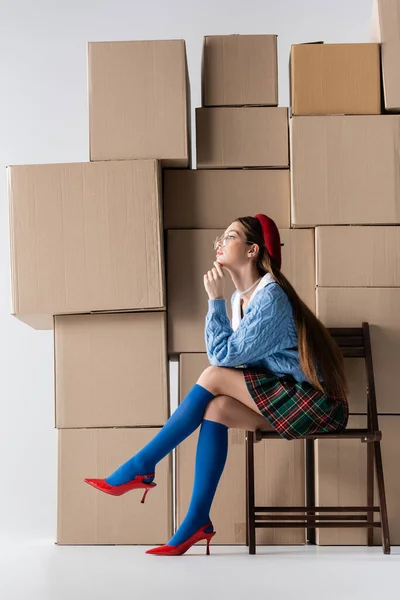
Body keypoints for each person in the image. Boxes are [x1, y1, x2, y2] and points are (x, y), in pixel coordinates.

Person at [84, 213, 349, 556]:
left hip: (316, 405)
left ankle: (141, 466)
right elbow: (226, 356)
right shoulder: (243, 300)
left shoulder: (270, 296)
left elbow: (221, 358)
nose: (219, 243)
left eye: (230, 236)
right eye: (220, 238)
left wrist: (213, 300)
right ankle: (197, 521)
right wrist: (222, 303)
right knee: (217, 408)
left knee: (212, 377)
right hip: (286, 400)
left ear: (252, 249)